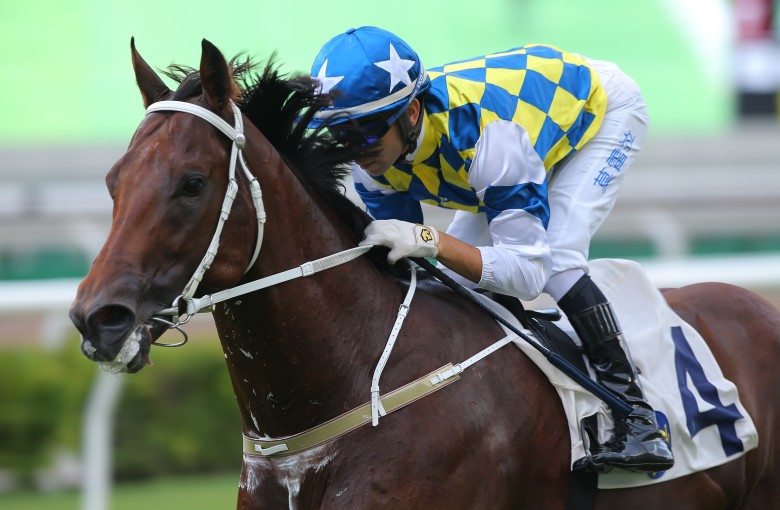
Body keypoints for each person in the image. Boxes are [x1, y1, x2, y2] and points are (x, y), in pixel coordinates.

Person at [307, 26, 674, 474]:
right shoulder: (370, 160)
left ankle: (637, 417)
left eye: (365, 133)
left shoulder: (492, 141)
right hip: (514, 131)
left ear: (411, 112)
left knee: (557, 261)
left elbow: (527, 274)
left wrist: (430, 241)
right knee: (458, 277)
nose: (354, 150)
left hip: (600, 111)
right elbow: (407, 274)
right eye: (340, 133)